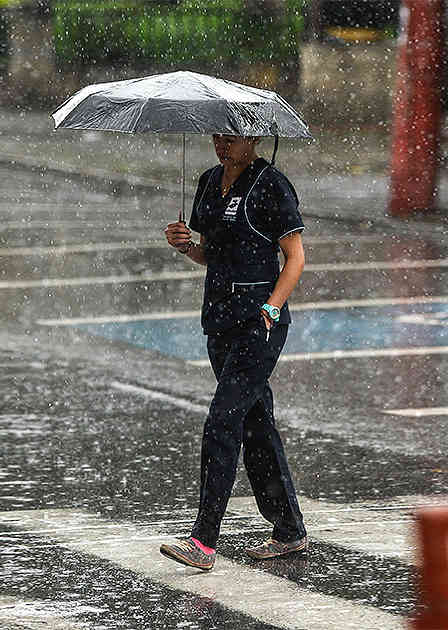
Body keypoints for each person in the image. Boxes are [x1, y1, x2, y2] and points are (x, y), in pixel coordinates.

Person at [159, 133, 308, 570]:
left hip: (258, 326)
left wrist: (271, 307)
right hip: (219, 321)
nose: (223, 146)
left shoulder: (270, 184)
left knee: (222, 422)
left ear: (256, 138)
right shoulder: (207, 181)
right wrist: (187, 246)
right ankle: (289, 529)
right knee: (256, 425)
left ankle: (204, 540)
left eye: (233, 138)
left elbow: (295, 258)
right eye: (218, 137)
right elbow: (214, 255)